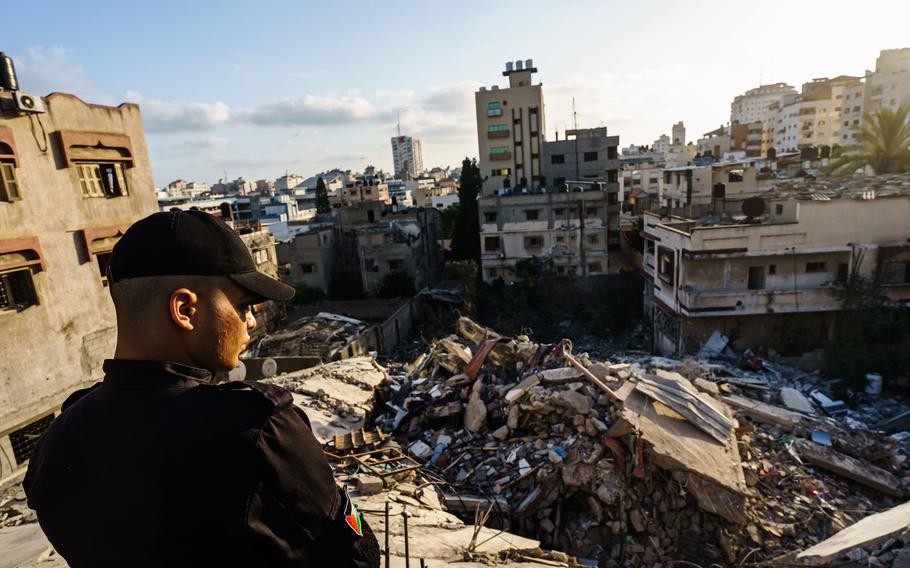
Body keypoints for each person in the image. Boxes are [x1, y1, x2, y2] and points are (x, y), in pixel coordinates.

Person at [24, 210, 379, 568]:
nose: (252, 321)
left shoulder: (56, 442)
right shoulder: (256, 432)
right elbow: (355, 558)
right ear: (185, 309)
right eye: (243, 305)